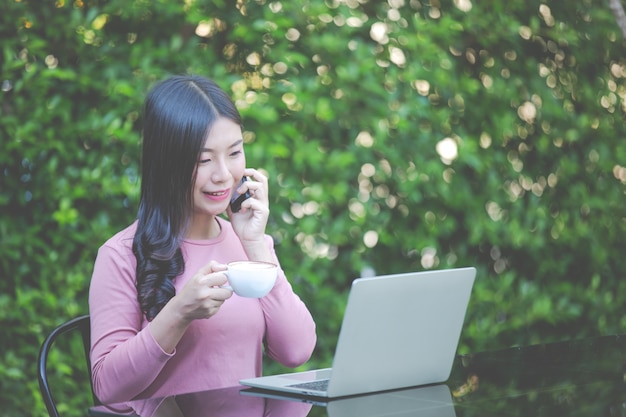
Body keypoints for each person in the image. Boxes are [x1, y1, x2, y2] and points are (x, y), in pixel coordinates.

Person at [88, 74, 317, 404]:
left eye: (234, 152)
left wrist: (254, 242)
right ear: (166, 163)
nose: (223, 173)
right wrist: (179, 313)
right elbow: (108, 387)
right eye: (203, 159)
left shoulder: (249, 246)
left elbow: (296, 351)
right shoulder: (121, 255)